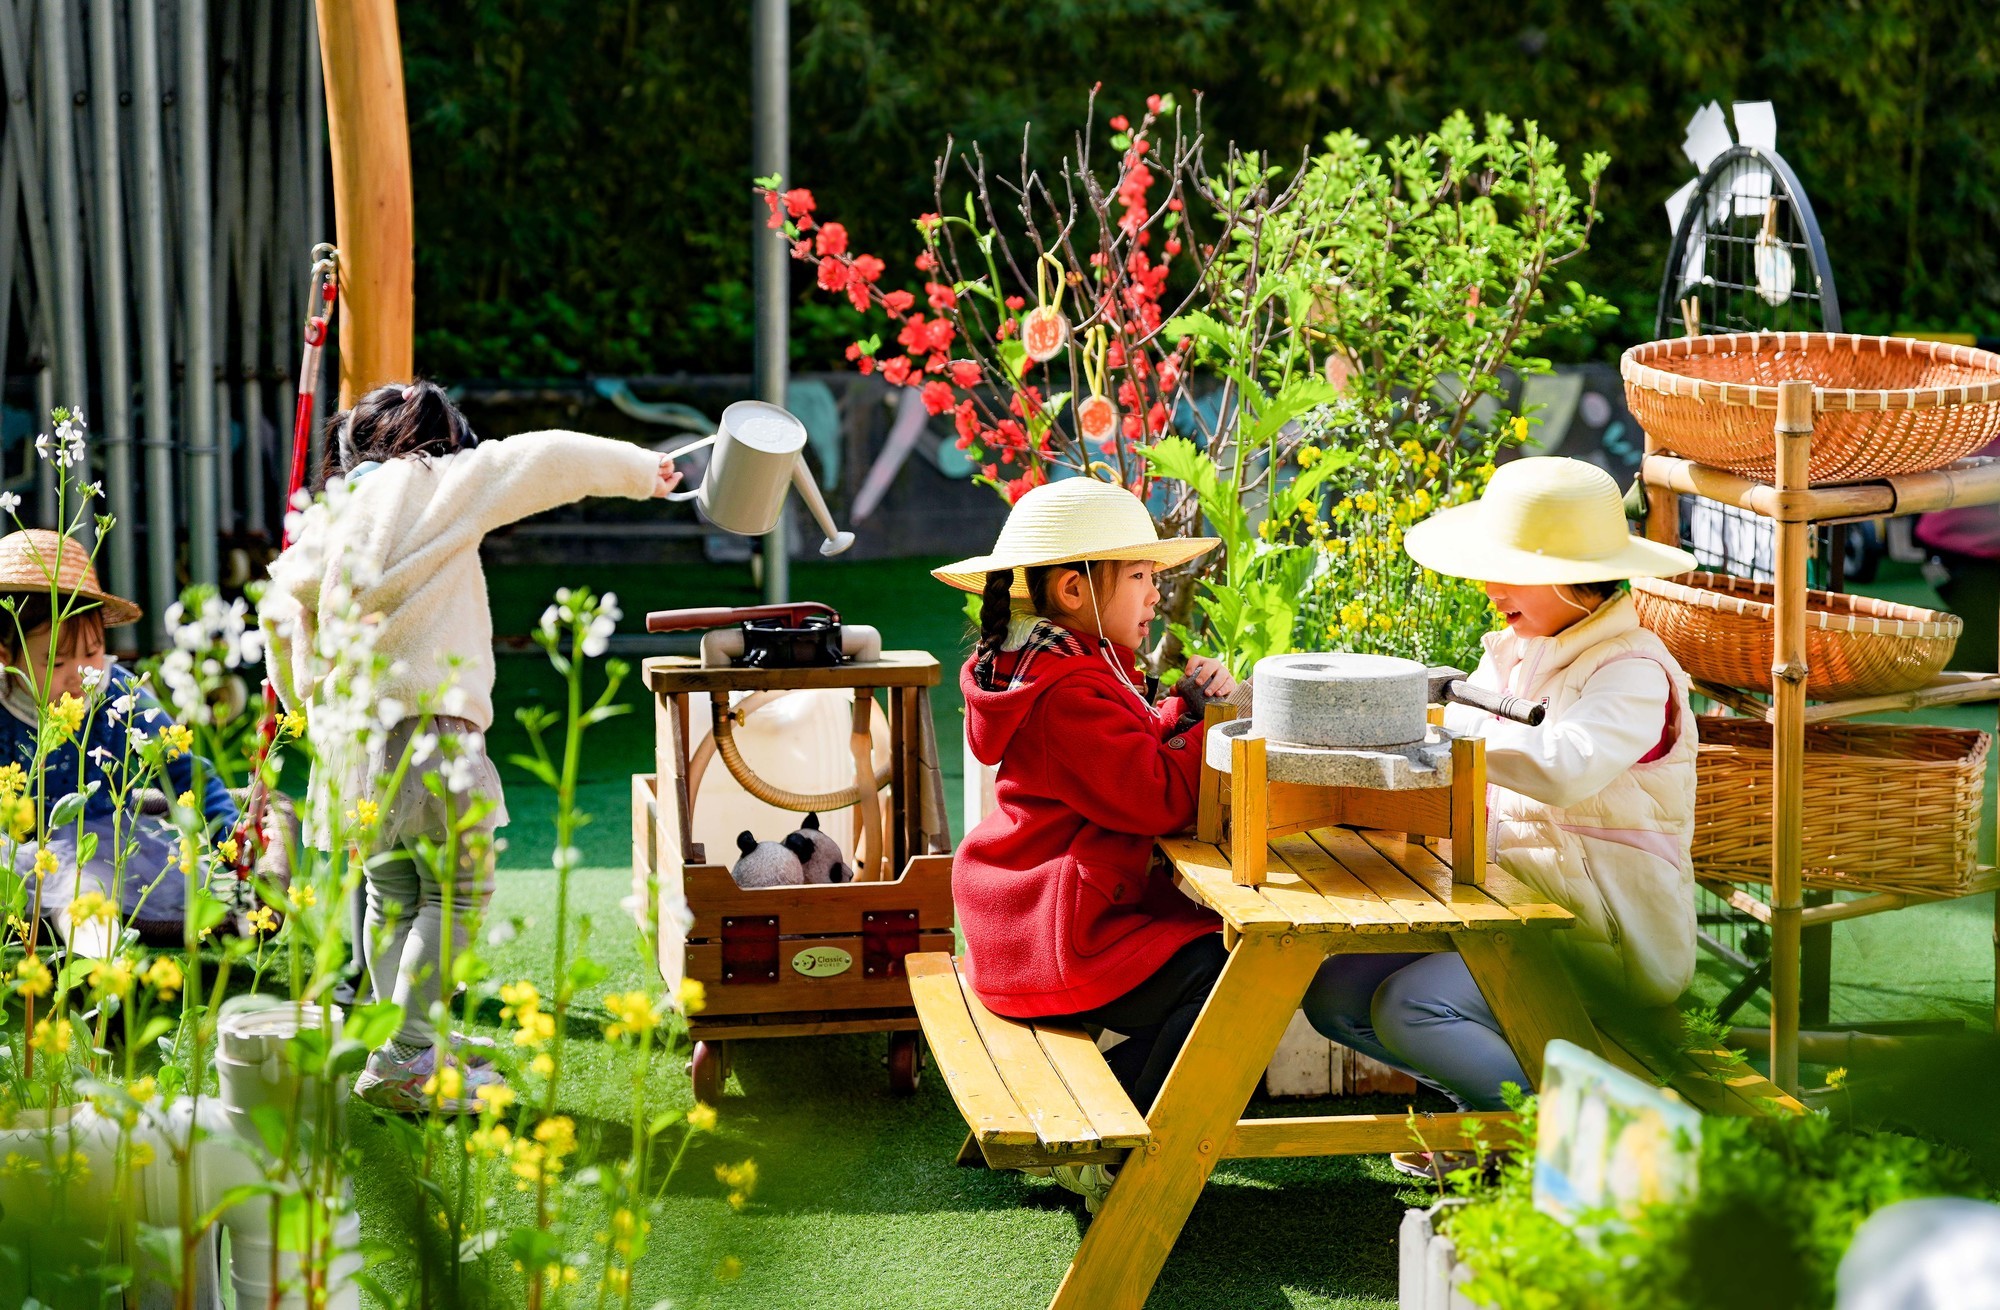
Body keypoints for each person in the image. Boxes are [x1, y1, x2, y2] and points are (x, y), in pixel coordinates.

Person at [260, 381, 682, 1114]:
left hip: (351, 741)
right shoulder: (437, 481)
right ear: (440, 440)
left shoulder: (330, 519)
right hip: (429, 726)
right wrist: (642, 470)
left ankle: (408, 1038)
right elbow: (543, 457)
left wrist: (305, 704)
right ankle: (405, 1055)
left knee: (393, 893)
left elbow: (278, 615)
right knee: (458, 892)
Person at [1302, 458, 1701, 1160]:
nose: (1490, 589)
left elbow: (1565, 767)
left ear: (1573, 575)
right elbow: (1468, 751)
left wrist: (1443, 731)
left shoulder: (1634, 670)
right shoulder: (1519, 653)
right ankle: (1490, 1120)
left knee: (1411, 1006)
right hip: (1510, 914)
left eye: (1509, 571)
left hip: (1601, 941)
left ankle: (1570, 1144)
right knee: (1334, 994)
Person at [934, 477, 1234, 1210]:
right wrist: (1210, 729)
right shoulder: (1068, 690)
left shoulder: (1057, 667)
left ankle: (1103, 1125)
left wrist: (1182, 709)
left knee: (1213, 965)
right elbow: (1156, 797)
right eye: (1140, 577)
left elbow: (1125, 748)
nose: (1156, 593)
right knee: (1224, 978)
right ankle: (1112, 1148)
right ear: (1074, 589)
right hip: (1056, 929)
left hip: (1030, 910)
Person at [0, 530, 238, 956]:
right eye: (56, 660)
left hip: (99, 848)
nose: (81, 674)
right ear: (6, 655)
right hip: (14, 853)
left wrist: (229, 834)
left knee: (83, 886)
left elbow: (184, 772)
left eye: (93, 652)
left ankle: (101, 966)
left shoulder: (120, 695)